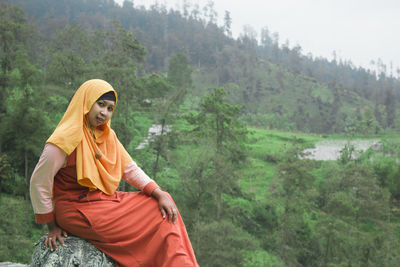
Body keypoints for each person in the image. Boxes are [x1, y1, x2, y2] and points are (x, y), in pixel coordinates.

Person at [30, 79, 198, 267]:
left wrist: (158, 192)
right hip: (76, 210)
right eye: (100, 104)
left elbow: (129, 168)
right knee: (154, 223)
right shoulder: (62, 141)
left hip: (103, 201)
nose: (104, 113)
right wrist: (51, 226)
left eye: (110, 108)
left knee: (162, 206)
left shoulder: (107, 136)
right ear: (85, 101)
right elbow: (39, 183)